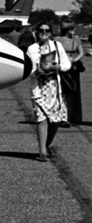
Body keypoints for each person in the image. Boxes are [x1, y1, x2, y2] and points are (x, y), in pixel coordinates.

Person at [26, 24, 71, 161]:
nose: (44, 33)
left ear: (51, 33)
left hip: (55, 88)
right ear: (36, 33)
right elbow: (28, 70)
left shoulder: (57, 46)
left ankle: (47, 144)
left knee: (55, 121)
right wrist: (35, 72)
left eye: (47, 31)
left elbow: (67, 64)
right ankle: (42, 152)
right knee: (42, 119)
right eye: (41, 31)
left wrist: (59, 66)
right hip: (39, 88)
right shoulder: (32, 49)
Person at [55, 20, 85, 124]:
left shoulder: (76, 39)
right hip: (63, 66)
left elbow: (81, 53)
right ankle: (62, 116)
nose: (74, 30)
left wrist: (75, 60)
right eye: (72, 29)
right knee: (63, 91)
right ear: (66, 29)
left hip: (73, 68)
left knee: (74, 91)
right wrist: (65, 59)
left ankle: (74, 117)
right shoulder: (58, 39)